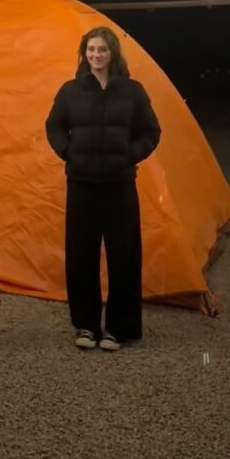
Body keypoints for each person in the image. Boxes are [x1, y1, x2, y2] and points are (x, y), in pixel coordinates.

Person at [45, 26, 161, 351]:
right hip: (81, 184)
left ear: (113, 53)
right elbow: (53, 125)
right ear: (84, 54)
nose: (96, 55)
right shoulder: (70, 91)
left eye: (102, 50)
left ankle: (118, 329)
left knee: (123, 255)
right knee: (81, 255)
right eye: (91, 50)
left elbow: (151, 131)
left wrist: (129, 156)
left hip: (120, 185)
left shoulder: (133, 91)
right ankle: (86, 324)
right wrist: (69, 153)